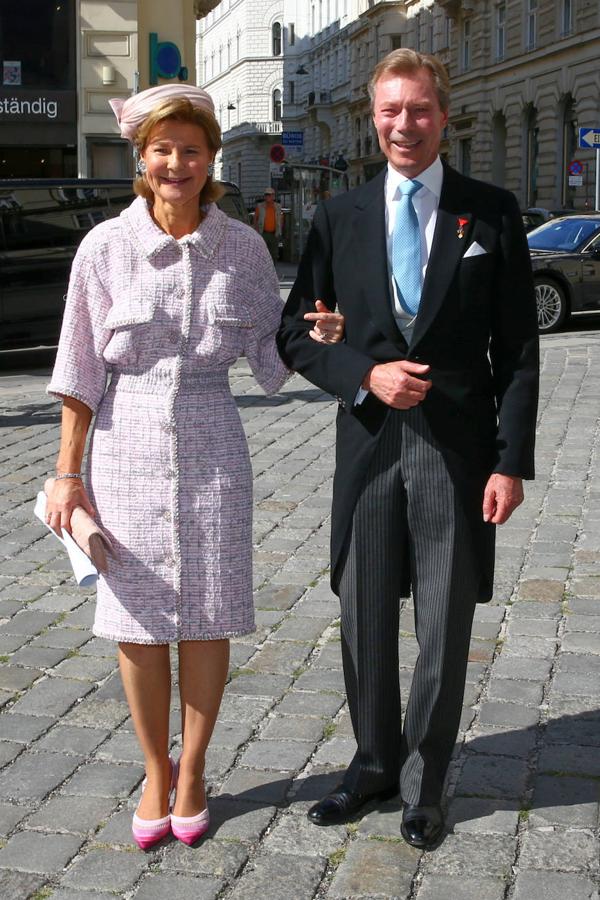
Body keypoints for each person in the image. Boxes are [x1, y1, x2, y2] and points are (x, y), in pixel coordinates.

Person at [45, 83, 345, 850]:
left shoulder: (242, 248)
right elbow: (79, 372)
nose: (176, 161)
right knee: (138, 624)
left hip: (215, 447)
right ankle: (154, 768)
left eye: (191, 148)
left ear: (210, 157)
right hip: (124, 448)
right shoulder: (104, 249)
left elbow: (270, 359)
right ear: (142, 160)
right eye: (162, 148)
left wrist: (325, 337)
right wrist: (66, 477)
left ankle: (194, 770)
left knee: (209, 617)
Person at [277, 49, 539, 848]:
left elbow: (519, 350)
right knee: (362, 619)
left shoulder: (489, 213)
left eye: (418, 108)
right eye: (390, 110)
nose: (403, 124)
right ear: (372, 114)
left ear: (442, 114)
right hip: (368, 447)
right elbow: (296, 333)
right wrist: (363, 373)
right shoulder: (338, 216)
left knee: (443, 623)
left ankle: (426, 783)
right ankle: (371, 765)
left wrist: (510, 460)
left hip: (456, 454)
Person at [253, 187, 282, 264]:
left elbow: (281, 219)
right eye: (266, 195)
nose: (267, 196)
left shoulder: (278, 207)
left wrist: (279, 231)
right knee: (263, 254)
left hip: (274, 234)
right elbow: (255, 219)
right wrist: (257, 232)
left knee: (274, 255)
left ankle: (273, 272)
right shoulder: (260, 206)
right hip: (263, 233)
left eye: (269, 195)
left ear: (273, 196)